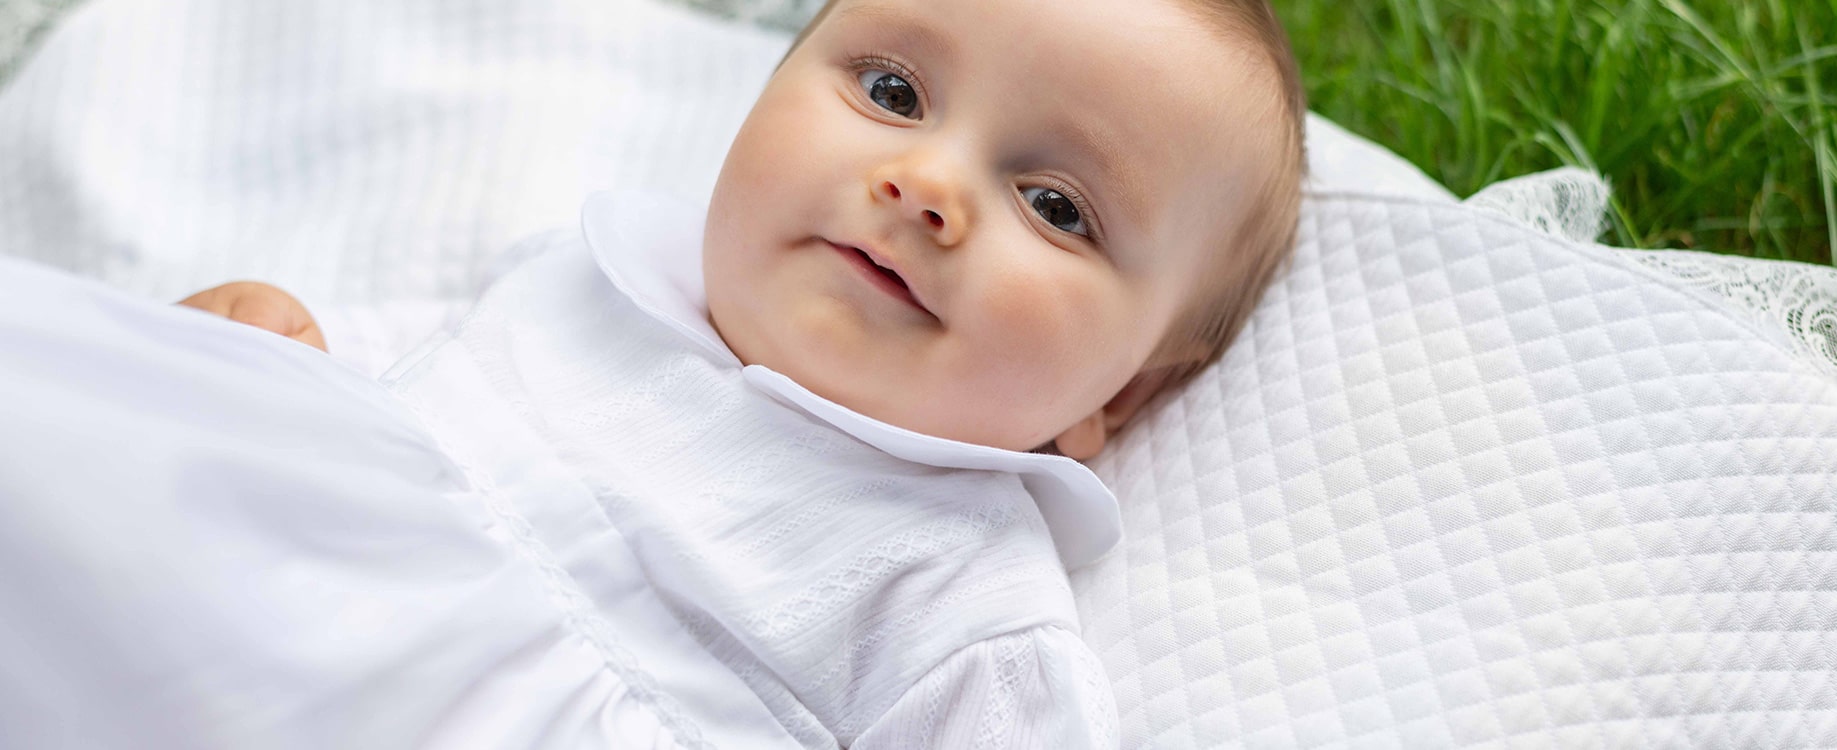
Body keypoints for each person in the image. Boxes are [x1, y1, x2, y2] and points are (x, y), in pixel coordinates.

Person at [175, 0, 1307, 743]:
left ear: (1120, 394)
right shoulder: (583, 282)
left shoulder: (958, 598)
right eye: (893, 93)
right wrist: (276, 348)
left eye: (1055, 206)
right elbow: (393, 396)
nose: (926, 184)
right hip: (246, 629)